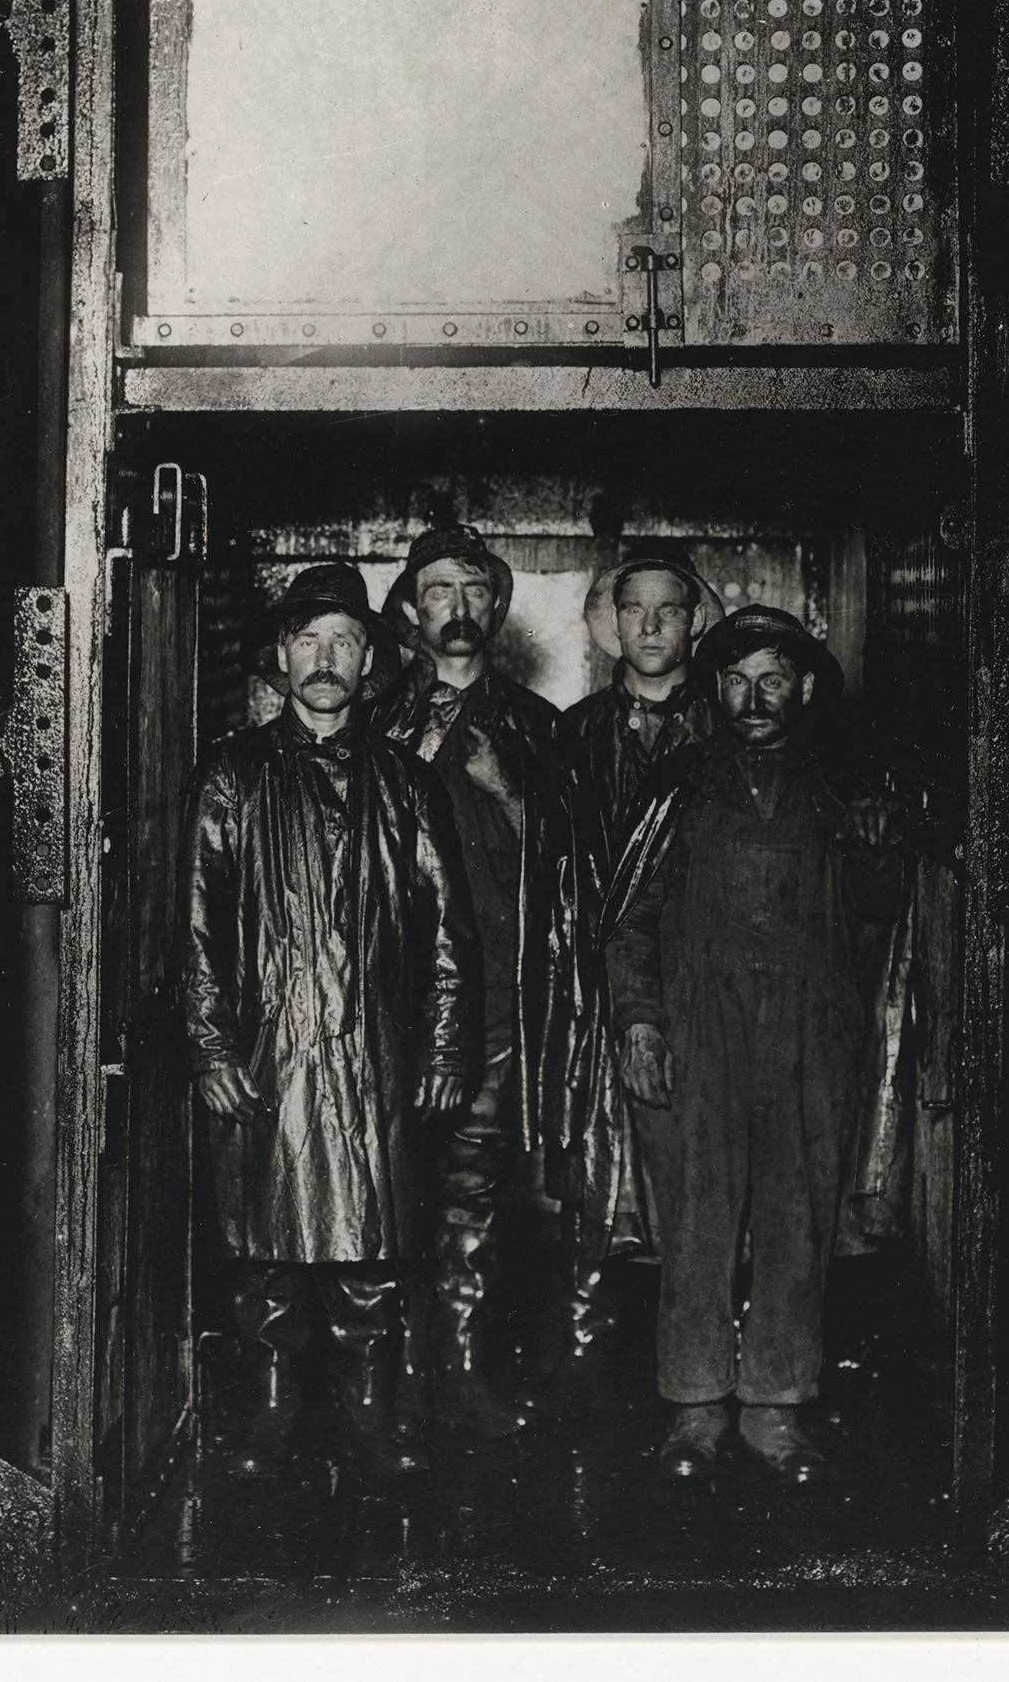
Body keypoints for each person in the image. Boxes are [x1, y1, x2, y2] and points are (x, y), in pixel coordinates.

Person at [182, 560, 475, 1482]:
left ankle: (369, 1418)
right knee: (265, 1252)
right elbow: (192, 919)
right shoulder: (230, 776)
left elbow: (446, 934)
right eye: (307, 641)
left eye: (342, 642)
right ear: (279, 657)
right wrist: (210, 1042)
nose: (323, 659)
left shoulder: (407, 784)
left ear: (367, 660)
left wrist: (440, 1046)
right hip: (270, 1049)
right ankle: (269, 1419)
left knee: (373, 1248)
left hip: (377, 1054)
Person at [603, 603, 905, 1484]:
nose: (753, 696)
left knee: (796, 1213)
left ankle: (775, 1406)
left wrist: (880, 854)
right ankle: (695, 1408)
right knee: (697, 1216)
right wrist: (640, 1021)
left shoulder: (844, 788)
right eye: (735, 680)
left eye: (771, 677)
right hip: (702, 1030)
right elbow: (627, 921)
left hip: (811, 1030)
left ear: (803, 687)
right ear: (715, 691)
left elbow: (879, 916)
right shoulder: (678, 786)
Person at [374, 523, 581, 1437]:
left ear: (495, 607)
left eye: (474, 591)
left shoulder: (539, 730)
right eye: (439, 592)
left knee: (471, 1192)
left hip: (496, 999)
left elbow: (577, 864)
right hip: (383, 1001)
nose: (458, 610)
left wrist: (508, 794)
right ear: (411, 611)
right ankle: (382, 1384)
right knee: (379, 1184)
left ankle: (456, 1376)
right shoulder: (374, 719)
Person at [554, 540, 725, 1382]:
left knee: (708, 1171)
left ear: (695, 620)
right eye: (634, 609)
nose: (651, 624)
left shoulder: (731, 727)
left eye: (669, 608)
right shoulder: (575, 734)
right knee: (596, 1172)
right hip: (599, 994)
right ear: (609, 624)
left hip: (702, 988)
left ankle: (709, 1357)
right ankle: (591, 1363)